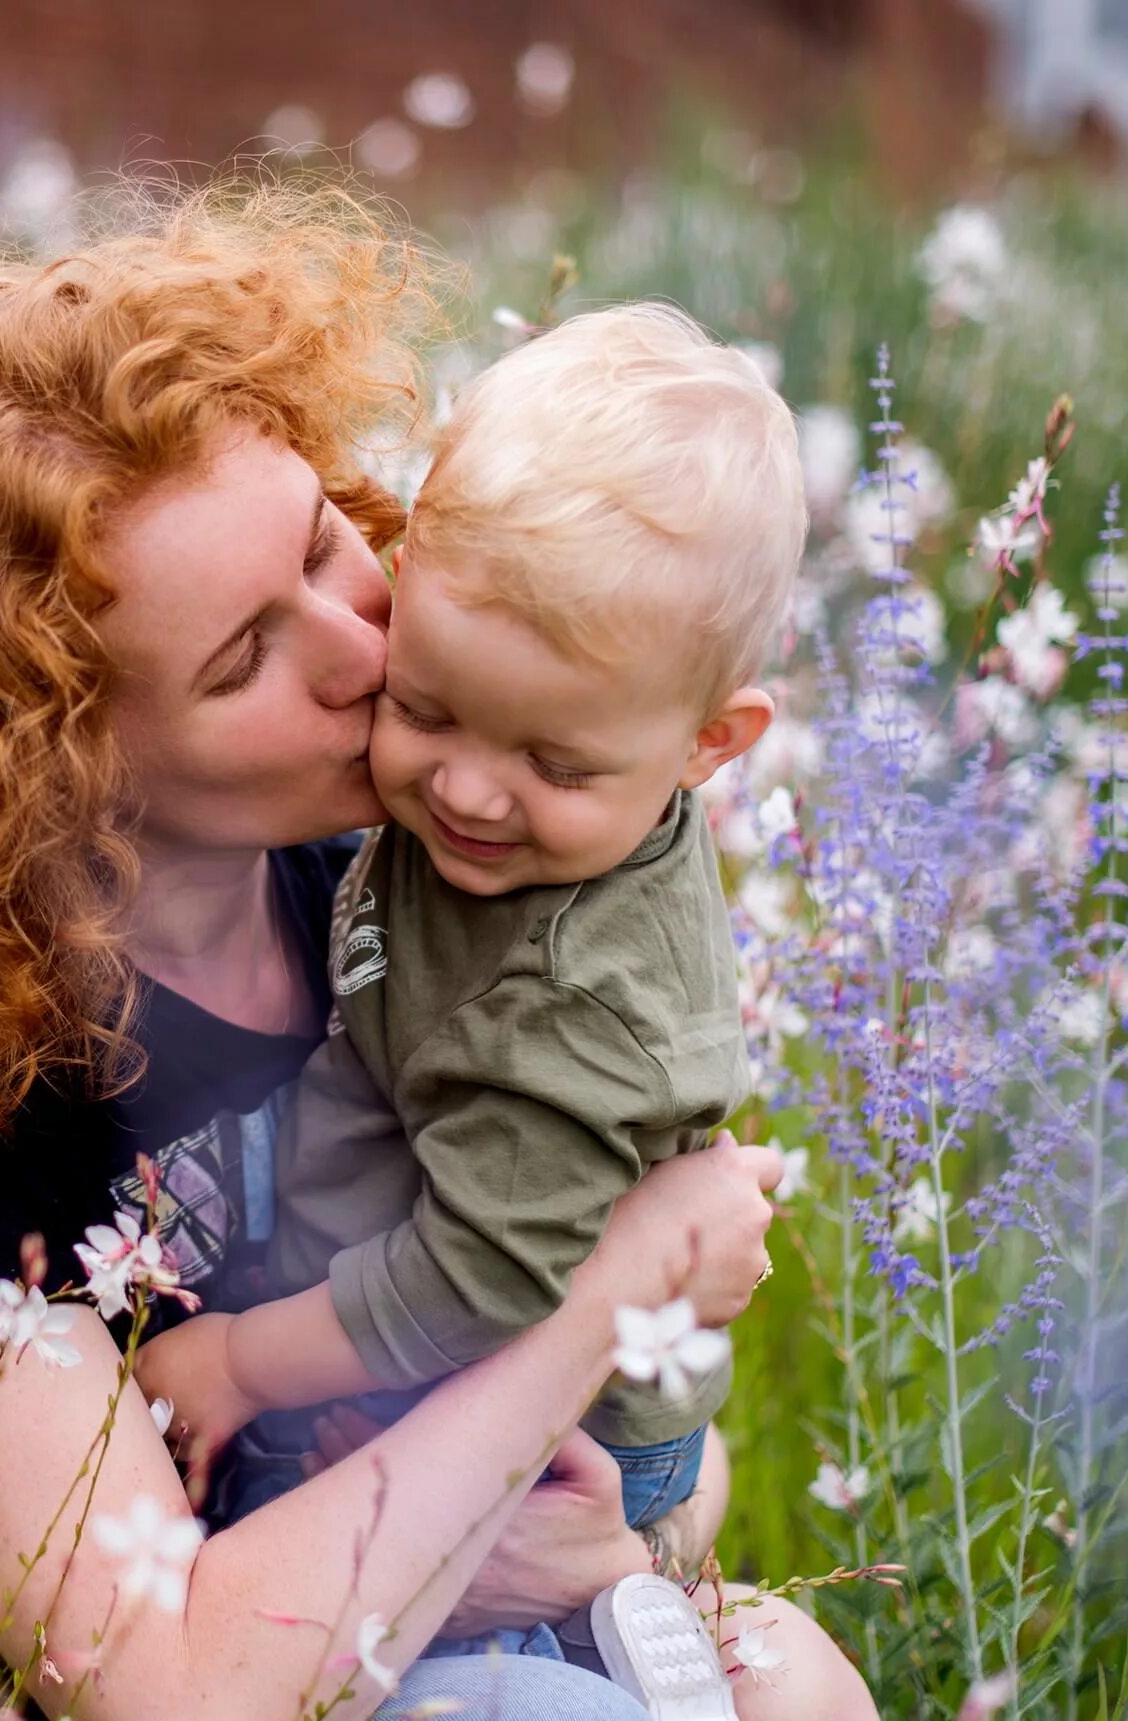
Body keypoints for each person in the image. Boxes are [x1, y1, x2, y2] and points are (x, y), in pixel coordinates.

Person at [0, 177, 876, 1720]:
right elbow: (166, 1685)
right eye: (248, 654)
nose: (367, 649)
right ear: (47, 765)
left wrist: (609, 1527)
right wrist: (603, 1302)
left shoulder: (393, 878)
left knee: (800, 1678)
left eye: (323, 541)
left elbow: (667, 1474)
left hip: (373, 1618)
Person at [128, 304, 806, 1709]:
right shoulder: (462, 833)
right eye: (427, 707)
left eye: (552, 760)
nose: (466, 792)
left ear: (709, 742)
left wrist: (243, 1358)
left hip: (514, 1400)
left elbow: (489, 1280)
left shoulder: (575, 994)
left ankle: (584, 1630)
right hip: (449, 1373)